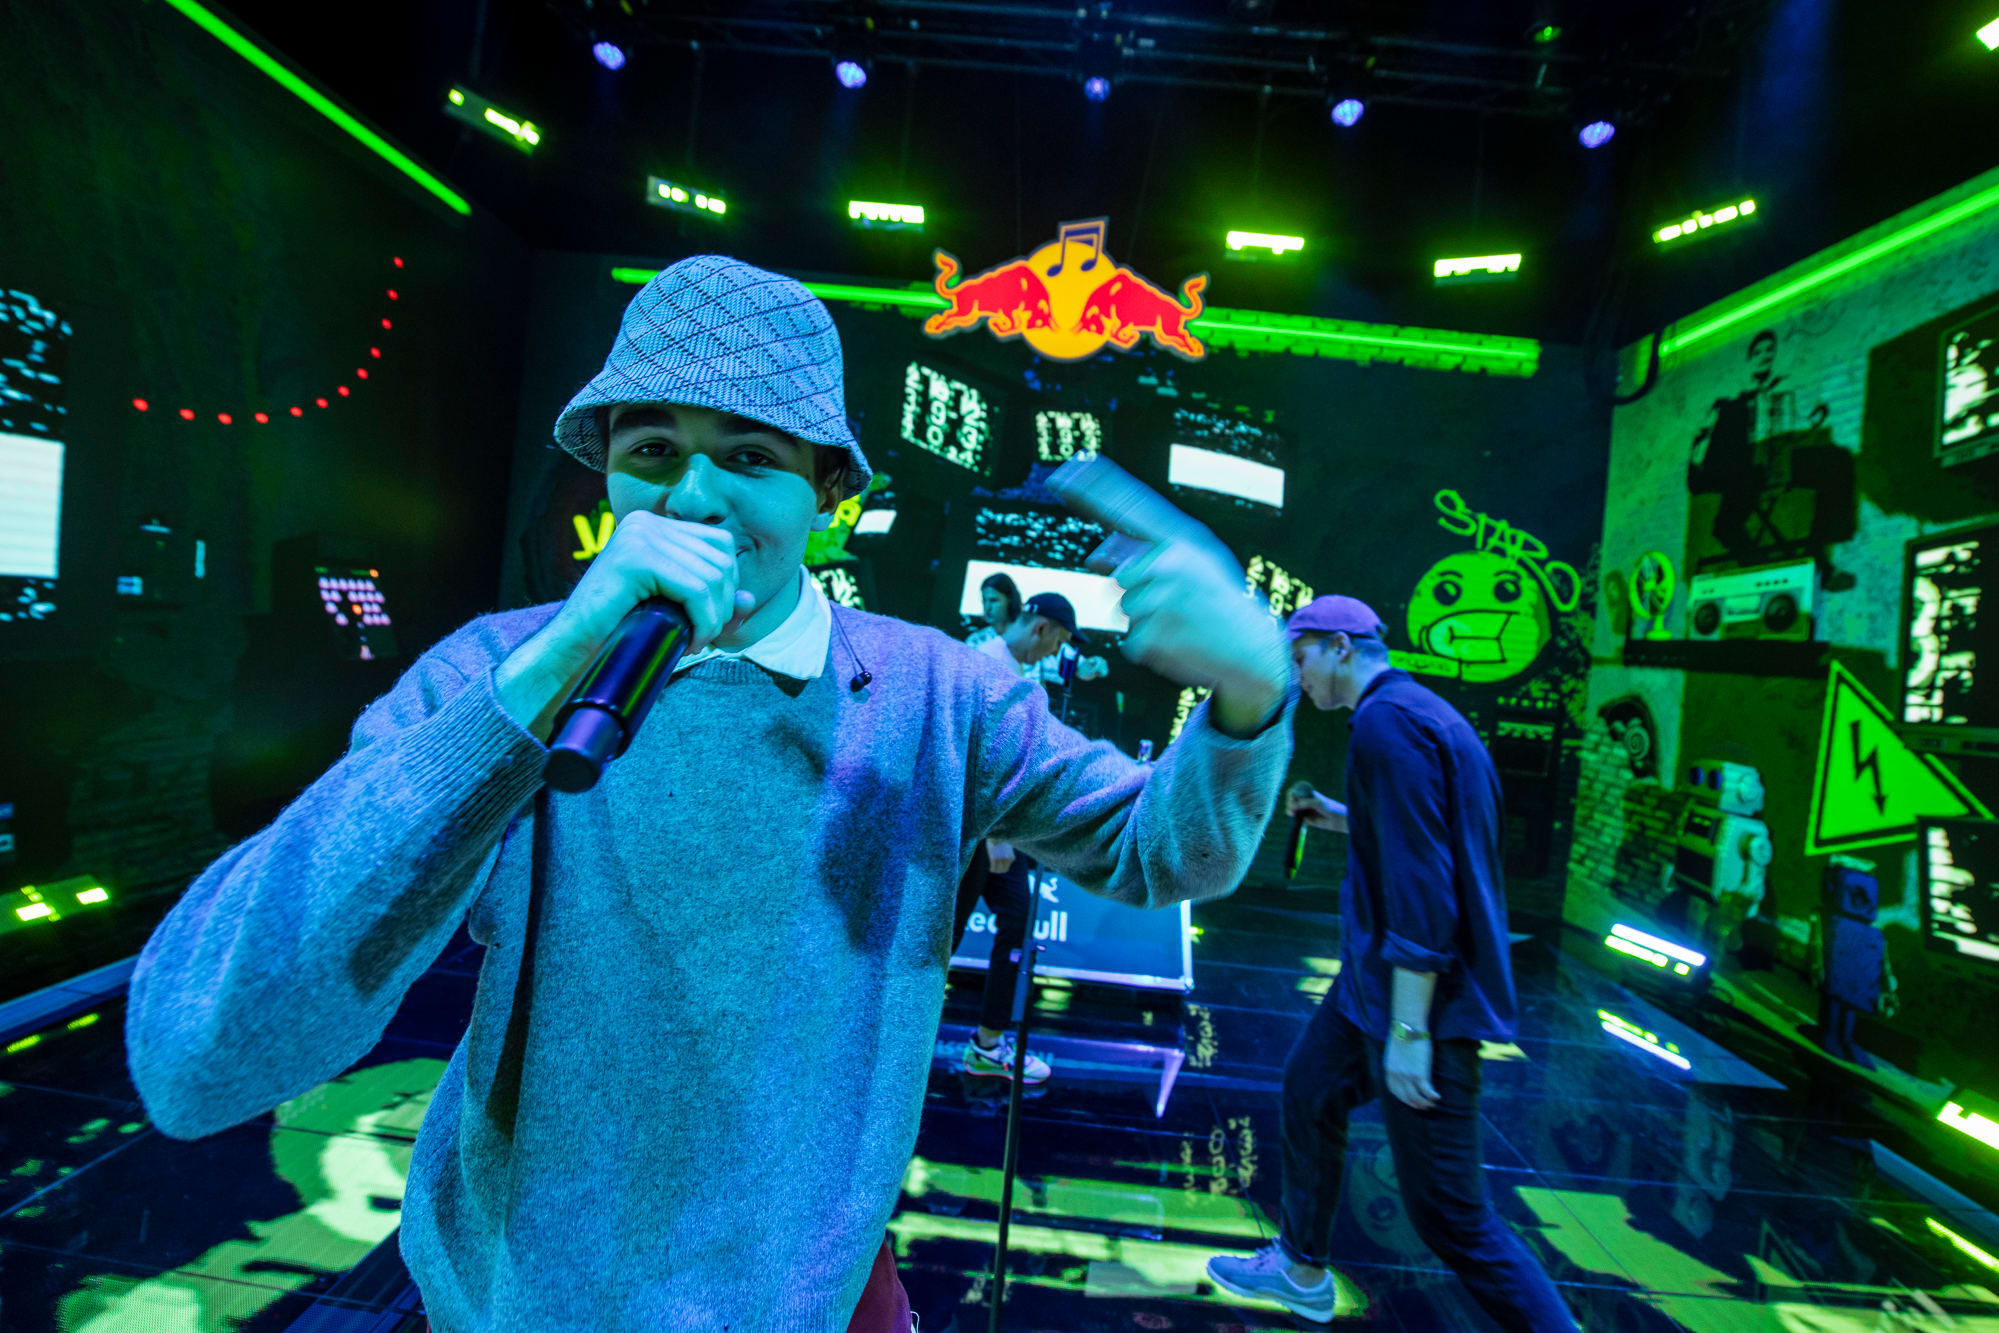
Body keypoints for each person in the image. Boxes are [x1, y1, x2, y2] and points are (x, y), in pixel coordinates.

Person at [124, 255, 1298, 1333]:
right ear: (604, 473)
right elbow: (200, 1055)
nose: (692, 498)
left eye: (749, 457)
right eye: (652, 450)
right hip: (521, 1300)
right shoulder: (493, 673)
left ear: (826, 491)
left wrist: (1247, 699)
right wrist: (545, 672)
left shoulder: (938, 696)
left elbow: (1163, 853)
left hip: (797, 1296)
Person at [1206, 595, 1577, 1332]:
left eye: (1302, 658)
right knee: (1310, 1088)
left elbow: (1422, 886)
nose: (1298, 677)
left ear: (1341, 647)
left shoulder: (1386, 724)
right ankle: (1301, 1269)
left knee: (1452, 1217)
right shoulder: (1418, 713)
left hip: (1420, 1003)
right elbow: (1427, 830)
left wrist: (1410, 1032)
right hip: (1369, 988)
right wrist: (1344, 817)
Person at [952, 590, 1090, 1084]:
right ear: (1041, 627)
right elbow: (974, 758)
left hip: (997, 832)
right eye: (1059, 641)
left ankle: (988, 1044)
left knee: (1016, 921)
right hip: (976, 835)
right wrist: (994, 836)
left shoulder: (1017, 669)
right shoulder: (990, 664)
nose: (1056, 652)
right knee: (942, 937)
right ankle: (890, 1037)